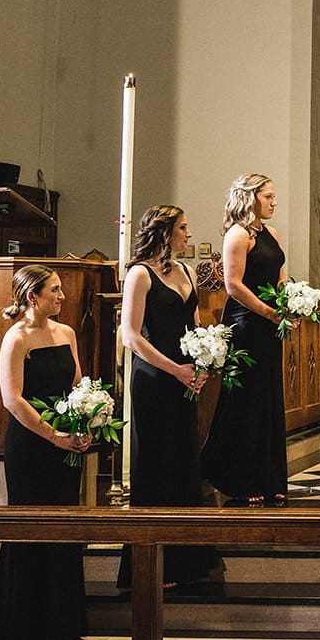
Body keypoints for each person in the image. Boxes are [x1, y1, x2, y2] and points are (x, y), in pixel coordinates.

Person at [0, 265, 90, 640]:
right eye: (54, 290)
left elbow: (78, 385)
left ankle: (62, 624)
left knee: (63, 527)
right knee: (30, 527)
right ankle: (22, 626)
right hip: (31, 447)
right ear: (33, 297)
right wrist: (53, 435)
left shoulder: (66, 333)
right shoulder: (16, 339)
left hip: (65, 445)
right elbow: (13, 400)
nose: (62, 296)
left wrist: (85, 420)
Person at [115, 205, 218, 592]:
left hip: (185, 377)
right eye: (183, 228)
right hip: (154, 379)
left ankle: (188, 557)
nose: (189, 234)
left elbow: (193, 324)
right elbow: (131, 336)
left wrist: (204, 358)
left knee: (184, 459)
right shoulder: (139, 274)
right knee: (156, 463)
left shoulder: (186, 271)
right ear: (164, 232)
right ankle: (152, 562)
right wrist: (174, 369)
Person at [200, 173, 289, 507]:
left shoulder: (272, 233)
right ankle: (240, 475)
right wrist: (267, 312)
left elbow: (280, 276)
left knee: (268, 396)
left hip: (270, 322)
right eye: (268, 196)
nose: (274, 202)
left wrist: (288, 303)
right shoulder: (238, 235)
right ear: (251, 198)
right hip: (246, 323)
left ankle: (270, 477)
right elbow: (234, 285)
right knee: (246, 399)